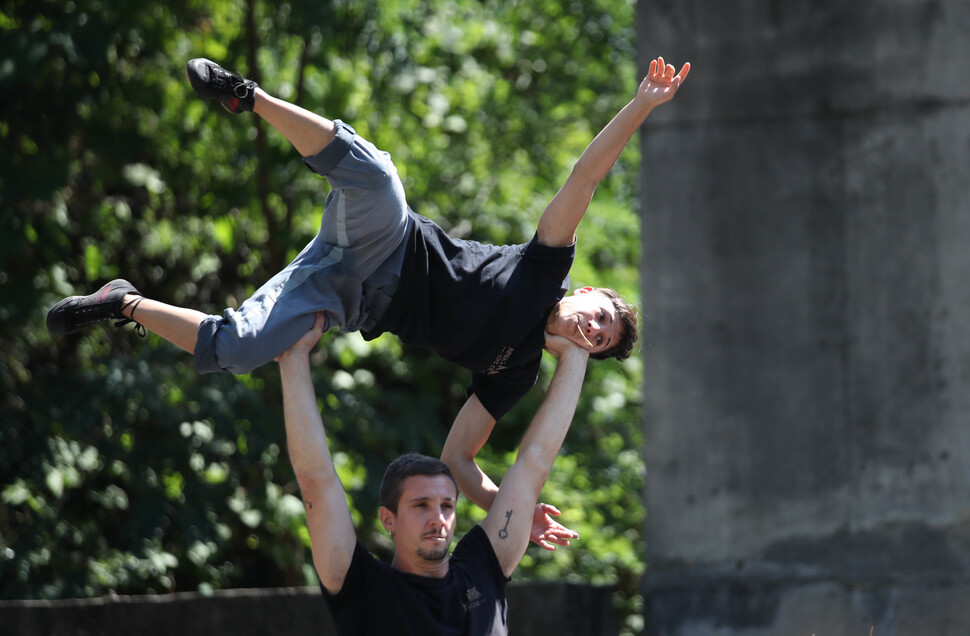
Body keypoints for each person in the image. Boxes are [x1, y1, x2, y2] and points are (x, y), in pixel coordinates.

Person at [46, 55, 690, 544]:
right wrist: (641, 105)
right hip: (389, 240)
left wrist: (506, 508)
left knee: (241, 348)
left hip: (345, 299)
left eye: (597, 341)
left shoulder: (515, 370)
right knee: (378, 177)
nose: (592, 330)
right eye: (600, 316)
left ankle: (121, 303)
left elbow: (457, 460)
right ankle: (247, 96)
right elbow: (587, 175)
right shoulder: (547, 265)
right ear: (588, 294)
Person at [278, 312, 590, 634]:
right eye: (421, 505)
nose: (438, 518)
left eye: (447, 505)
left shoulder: (482, 570)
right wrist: (294, 358)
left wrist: (577, 355)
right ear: (389, 520)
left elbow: (534, 463)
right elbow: (317, 480)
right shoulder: (362, 586)